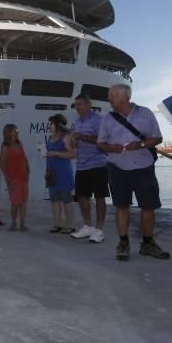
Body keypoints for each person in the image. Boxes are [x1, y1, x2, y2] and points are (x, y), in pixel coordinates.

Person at [97, 84, 170, 261]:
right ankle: (123, 243)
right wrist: (111, 148)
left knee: (148, 207)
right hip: (117, 168)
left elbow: (157, 138)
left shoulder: (145, 113)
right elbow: (100, 144)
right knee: (121, 206)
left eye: (112, 95)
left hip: (143, 167)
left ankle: (148, 243)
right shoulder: (107, 119)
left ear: (125, 97)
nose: (109, 99)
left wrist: (140, 145)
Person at [70, 95, 109, 243]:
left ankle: (99, 230)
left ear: (88, 104)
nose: (77, 107)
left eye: (79, 104)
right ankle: (88, 226)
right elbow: (76, 143)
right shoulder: (77, 122)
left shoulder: (98, 120)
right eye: (76, 105)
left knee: (100, 196)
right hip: (81, 164)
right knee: (81, 196)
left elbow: (102, 140)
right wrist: (74, 142)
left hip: (98, 164)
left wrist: (82, 137)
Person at [45, 114, 76, 234]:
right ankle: (57, 224)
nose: (49, 126)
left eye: (51, 123)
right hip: (51, 173)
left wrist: (56, 153)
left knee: (66, 199)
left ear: (58, 124)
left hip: (63, 173)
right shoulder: (51, 137)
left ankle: (70, 225)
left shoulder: (66, 137)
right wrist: (44, 151)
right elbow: (50, 152)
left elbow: (73, 154)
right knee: (54, 200)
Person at [1, 123, 30, 231]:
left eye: (17, 131)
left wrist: (28, 170)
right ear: (9, 133)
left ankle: (22, 223)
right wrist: (7, 179)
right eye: (15, 131)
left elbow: (24, 157)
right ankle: (13, 223)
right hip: (13, 178)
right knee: (15, 202)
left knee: (23, 201)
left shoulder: (19, 143)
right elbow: (2, 163)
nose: (17, 132)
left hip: (23, 177)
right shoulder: (5, 146)